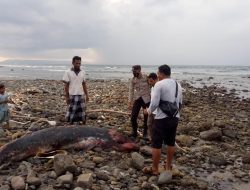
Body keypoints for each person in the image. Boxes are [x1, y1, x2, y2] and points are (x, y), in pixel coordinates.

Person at [143, 64, 182, 175]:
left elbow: (154, 103)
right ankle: (168, 166)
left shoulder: (159, 84)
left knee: (157, 143)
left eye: (158, 73)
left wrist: (148, 111)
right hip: (175, 117)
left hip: (162, 118)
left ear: (161, 73)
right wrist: (175, 113)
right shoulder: (177, 85)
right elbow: (180, 103)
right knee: (170, 142)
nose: (158, 75)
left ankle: (155, 168)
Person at [63, 56, 89, 125]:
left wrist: (87, 95)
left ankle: (83, 124)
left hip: (81, 94)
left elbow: (84, 84)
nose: (78, 65)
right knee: (72, 110)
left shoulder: (83, 72)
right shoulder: (68, 72)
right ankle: (71, 124)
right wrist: (67, 97)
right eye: (76, 63)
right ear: (73, 63)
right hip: (72, 95)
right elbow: (66, 85)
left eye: (79, 63)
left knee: (82, 111)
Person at [128, 65, 151, 138]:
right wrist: (130, 102)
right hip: (138, 99)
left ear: (140, 70)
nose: (134, 73)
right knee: (133, 117)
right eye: (133, 71)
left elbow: (152, 85)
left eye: (135, 71)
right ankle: (134, 132)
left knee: (146, 117)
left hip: (146, 99)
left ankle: (145, 133)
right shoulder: (133, 79)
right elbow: (131, 91)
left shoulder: (146, 77)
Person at [146, 73, 158, 141]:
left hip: (157, 111)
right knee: (149, 124)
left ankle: (157, 139)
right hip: (151, 109)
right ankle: (151, 138)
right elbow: (152, 100)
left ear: (156, 79)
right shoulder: (152, 88)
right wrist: (149, 109)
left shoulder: (159, 88)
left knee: (156, 126)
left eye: (151, 81)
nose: (149, 83)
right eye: (149, 81)